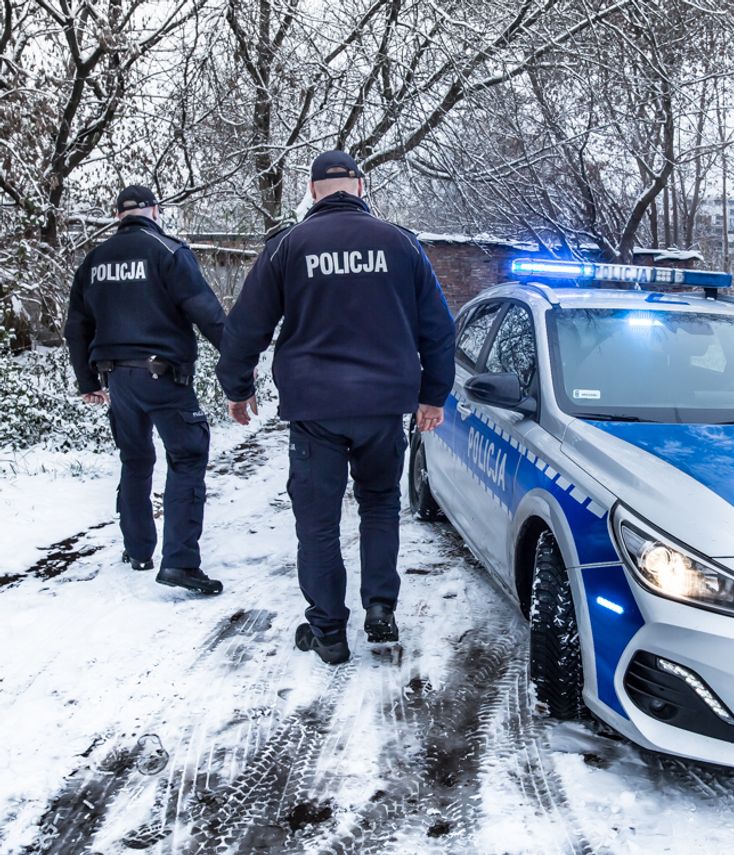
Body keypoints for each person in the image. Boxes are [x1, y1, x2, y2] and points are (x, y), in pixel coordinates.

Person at [216, 151, 456, 666]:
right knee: (379, 505)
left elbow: (245, 327)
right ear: (361, 186)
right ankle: (380, 608)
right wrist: (433, 395)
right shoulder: (401, 244)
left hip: (315, 410)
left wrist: (238, 388)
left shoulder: (288, 246)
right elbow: (437, 327)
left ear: (312, 188)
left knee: (318, 521)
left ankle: (328, 631)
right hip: (382, 408)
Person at [64, 185, 226, 595]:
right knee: (187, 459)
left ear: (118, 214)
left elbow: (76, 326)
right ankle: (181, 563)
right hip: (165, 378)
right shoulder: (168, 251)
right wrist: (238, 359)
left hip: (117, 379)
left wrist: (87, 382)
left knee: (135, 461)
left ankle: (138, 550)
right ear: (155, 211)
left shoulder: (94, 260)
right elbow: (205, 310)